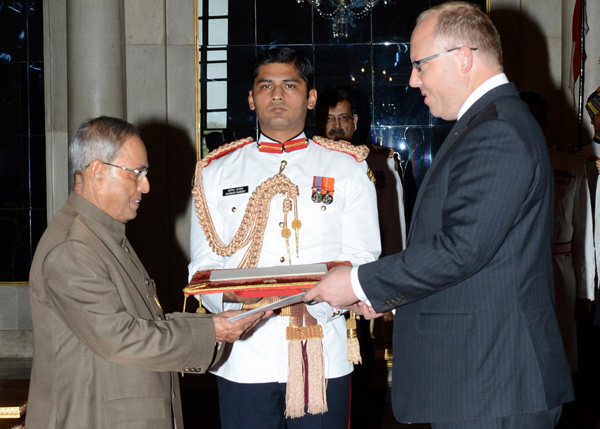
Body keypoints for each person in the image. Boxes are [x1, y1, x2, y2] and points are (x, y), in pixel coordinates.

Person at [306, 2, 574, 428]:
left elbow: (461, 249)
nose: (413, 80)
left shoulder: (497, 130)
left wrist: (358, 281)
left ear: (463, 58)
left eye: (420, 65)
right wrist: (389, 295)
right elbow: (476, 261)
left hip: (494, 384)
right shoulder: (488, 123)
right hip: (482, 379)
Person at [26, 116, 267, 429]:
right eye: (136, 173)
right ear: (98, 173)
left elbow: (143, 324)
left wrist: (216, 323)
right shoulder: (73, 247)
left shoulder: (101, 234)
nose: (146, 185)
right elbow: (121, 338)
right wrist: (214, 331)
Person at [188, 47, 380, 428]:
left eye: (290, 85)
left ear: (311, 98)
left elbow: (363, 258)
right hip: (244, 356)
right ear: (250, 97)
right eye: (266, 86)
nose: (277, 95)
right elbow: (202, 266)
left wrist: (315, 305)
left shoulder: (346, 169)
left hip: (321, 348)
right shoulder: (215, 172)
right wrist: (233, 310)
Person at [314, 88, 404, 427]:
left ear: (355, 122)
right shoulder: (308, 164)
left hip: (364, 289)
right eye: (329, 118)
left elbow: (395, 232)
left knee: (362, 372)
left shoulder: (378, 164)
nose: (336, 125)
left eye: (343, 118)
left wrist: (393, 290)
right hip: (321, 290)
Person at [520, 90, 595, 372]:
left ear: (547, 122)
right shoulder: (501, 165)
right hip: (518, 270)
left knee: (560, 353)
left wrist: (584, 292)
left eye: (537, 118)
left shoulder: (570, 165)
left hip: (559, 271)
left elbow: (584, 231)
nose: (531, 124)